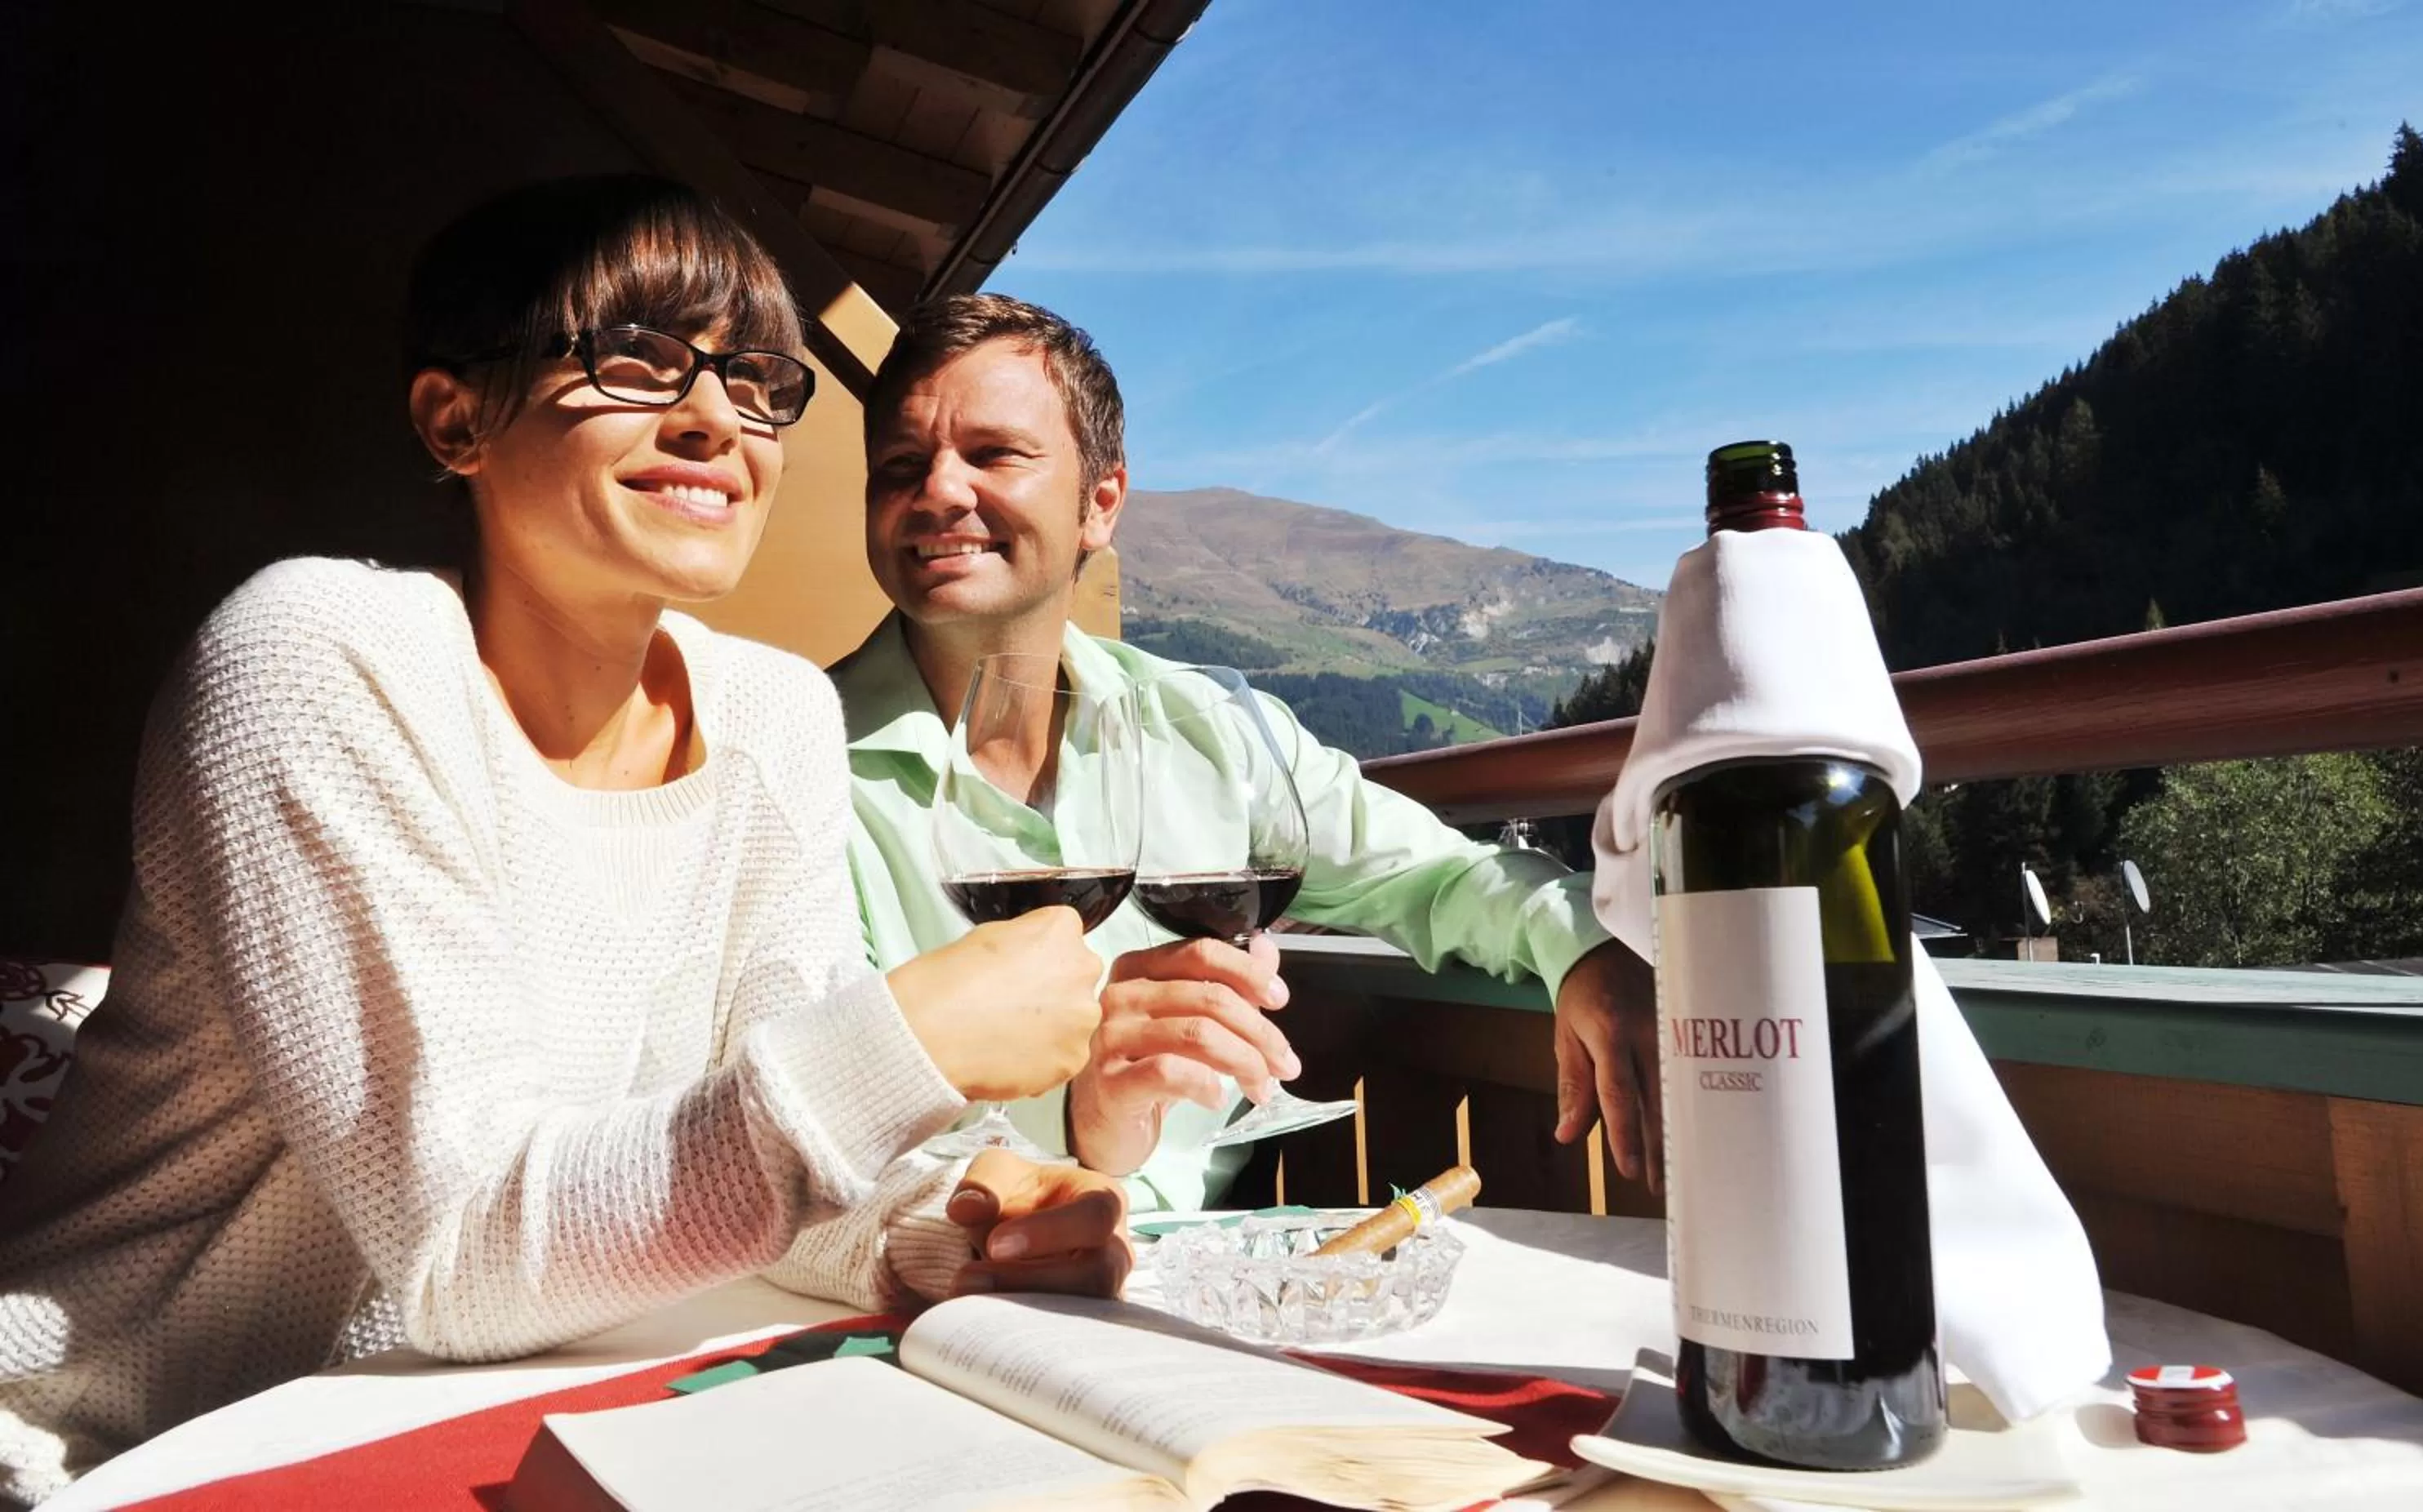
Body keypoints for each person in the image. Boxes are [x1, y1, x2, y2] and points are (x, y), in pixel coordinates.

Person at [0, 178, 1128, 1505]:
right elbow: (466, 1249)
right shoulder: (319, 664)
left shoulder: (773, 721)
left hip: (492, 1426)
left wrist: (958, 1229)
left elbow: (752, 1161)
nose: (718, 418)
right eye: (638, 359)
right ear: (457, 416)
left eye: (761, 381)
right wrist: (901, 1044)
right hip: (111, 1454)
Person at [834, 293, 1662, 1212]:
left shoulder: (1206, 727)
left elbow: (1439, 877)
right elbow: (828, 1138)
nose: (939, 491)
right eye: (901, 466)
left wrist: (1587, 944)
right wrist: (1073, 1126)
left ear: (1099, 502)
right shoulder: (798, 772)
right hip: (946, 1297)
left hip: (1215, 1278)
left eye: (993, 454)